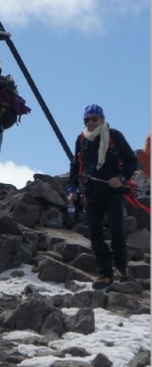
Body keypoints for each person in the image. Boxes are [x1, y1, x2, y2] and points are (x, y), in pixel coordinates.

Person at [67, 104, 139, 290]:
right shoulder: (81, 139)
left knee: (117, 230)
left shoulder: (114, 136)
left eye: (94, 119)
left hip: (113, 193)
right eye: (87, 119)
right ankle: (105, 274)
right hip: (91, 194)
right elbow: (75, 166)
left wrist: (121, 178)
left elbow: (131, 160)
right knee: (95, 234)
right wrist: (72, 189)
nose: (90, 123)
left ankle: (121, 268)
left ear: (102, 119)